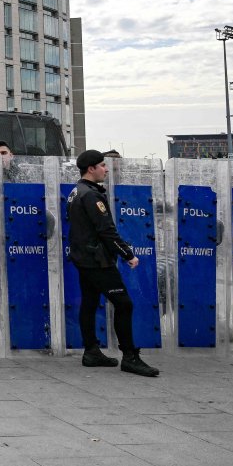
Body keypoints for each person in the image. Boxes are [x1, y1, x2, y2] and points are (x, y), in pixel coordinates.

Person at [67, 150, 158, 377]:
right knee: (124, 304)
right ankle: (130, 357)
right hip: (97, 261)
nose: (106, 169)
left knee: (89, 302)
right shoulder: (91, 195)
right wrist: (128, 254)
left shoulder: (76, 191)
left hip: (83, 258)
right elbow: (106, 230)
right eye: (102, 166)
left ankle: (91, 352)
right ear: (91, 169)